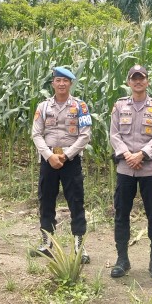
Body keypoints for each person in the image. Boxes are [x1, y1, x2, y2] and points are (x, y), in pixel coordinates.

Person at [109, 65, 152, 280]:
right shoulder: (119, 106)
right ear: (128, 82)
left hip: (149, 169)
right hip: (125, 169)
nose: (138, 82)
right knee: (121, 214)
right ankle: (122, 260)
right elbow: (114, 134)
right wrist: (127, 155)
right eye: (134, 78)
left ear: (147, 81)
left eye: (141, 78)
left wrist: (142, 154)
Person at [30, 66, 92, 263]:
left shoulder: (80, 106)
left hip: (70, 159)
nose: (62, 84)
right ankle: (47, 243)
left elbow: (85, 135)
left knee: (76, 201)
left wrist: (65, 156)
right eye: (58, 80)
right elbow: (36, 134)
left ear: (71, 83)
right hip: (49, 159)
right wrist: (49, 156)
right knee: (46, 200)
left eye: (66, 81)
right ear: (53, 84)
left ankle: (79, 245)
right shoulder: (43, 107)